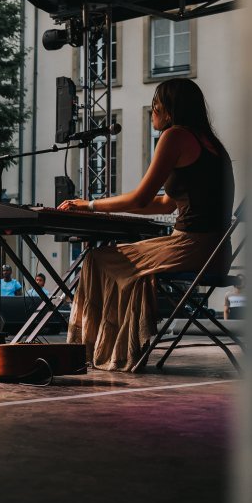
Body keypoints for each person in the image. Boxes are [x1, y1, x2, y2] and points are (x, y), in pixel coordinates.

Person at [57, 77, 234, 371]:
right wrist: (103, 207)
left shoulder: (175, 136)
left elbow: (141, 199)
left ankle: (89, 349)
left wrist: (89, 205)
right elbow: (165, 204)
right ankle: (119, 346)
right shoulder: (210, 143)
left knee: (98, 258)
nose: (152, 111)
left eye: (155, 104)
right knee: (126, 263)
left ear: (169, 109)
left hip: (191, 248)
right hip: (217, 253)